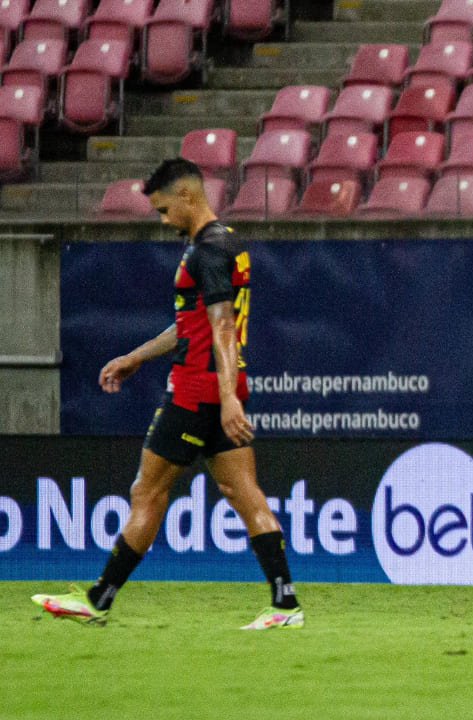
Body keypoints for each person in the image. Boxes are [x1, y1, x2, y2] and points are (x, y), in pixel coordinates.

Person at [31, 159, 303, 630]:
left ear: (187, 197)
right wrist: (138, 356)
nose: (162, 220)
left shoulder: (206, 252)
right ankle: (285, 605)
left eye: (163, 210)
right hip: (222, 384)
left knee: (148, 490)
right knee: (242, 491)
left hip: (199, 388)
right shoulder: (228, 244)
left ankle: (98, 599)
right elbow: (193, 325)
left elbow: (220, 327)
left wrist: (224, 397)